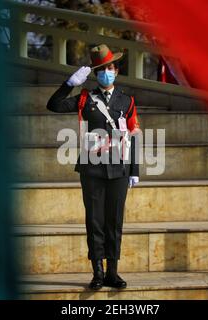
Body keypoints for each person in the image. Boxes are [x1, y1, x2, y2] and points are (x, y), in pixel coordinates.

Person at [47, 44, 141, 290]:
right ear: (94, 74)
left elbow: (134, 134)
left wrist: (135, 170)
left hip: (120, 168)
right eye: (100, 70)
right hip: (93, 168)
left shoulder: (127, 100)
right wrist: (69, 84)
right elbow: (54, 105)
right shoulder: (85, 98)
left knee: (115, 221)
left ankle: (113, 271)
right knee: (95, 221)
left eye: (109, 68)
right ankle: (97, 272)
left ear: (116, 71)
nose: (105, 73)